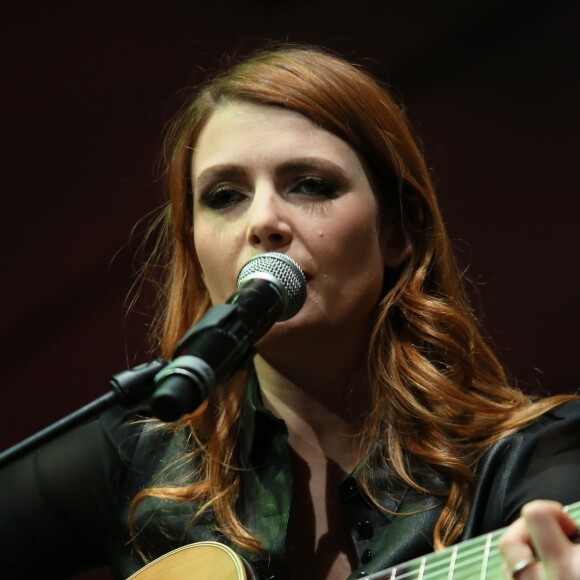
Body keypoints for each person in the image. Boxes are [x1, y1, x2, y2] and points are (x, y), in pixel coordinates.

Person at [1, 44, 579, 580]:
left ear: (398, 230)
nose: (263, 222)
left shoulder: (529, 460)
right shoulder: (138, 458)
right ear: (193, 245)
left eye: (309, 184)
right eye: (225, 196)